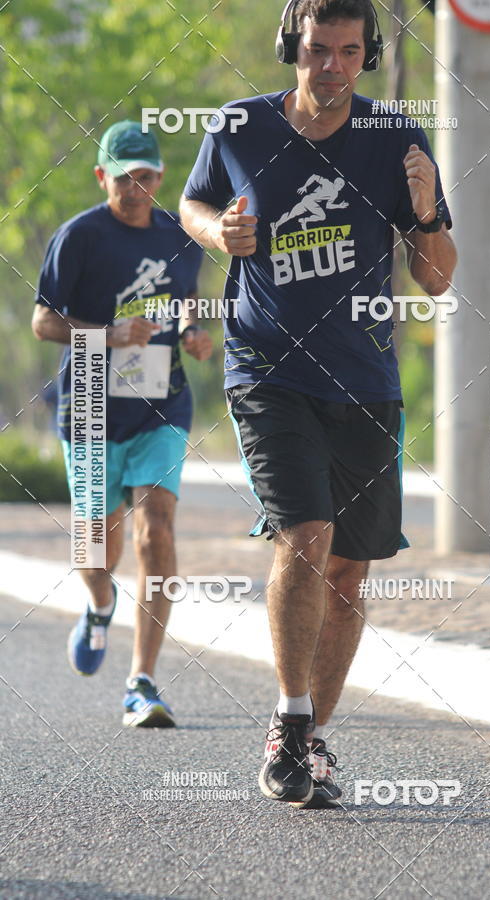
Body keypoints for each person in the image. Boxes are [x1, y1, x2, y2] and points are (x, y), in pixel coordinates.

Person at [180, 0, 456, 806]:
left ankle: (311, 741)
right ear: (289, 49)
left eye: (345, 51)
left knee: (348, 571)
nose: (328, 65)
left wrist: (431, 208)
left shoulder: (395, 138)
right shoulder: (238, 127)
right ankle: (290, 725)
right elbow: (194, 206)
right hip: (266, 369)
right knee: (305, 533)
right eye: (314, 50)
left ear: (365, 56)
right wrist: (214, 233)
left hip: (366, 380)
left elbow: (437, 278)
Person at [32, 120, 212, 728]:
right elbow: (43, 322)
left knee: (156, 530)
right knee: (95, 547)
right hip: (88, 402)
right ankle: (101, 603)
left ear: (161, 177)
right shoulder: (78, 236)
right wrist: (106, 336)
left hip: (162, 400)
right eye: (123, 178)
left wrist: (191, 332)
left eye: (147, 177)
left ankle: (142, 681)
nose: (136, 189)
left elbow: (185, 298)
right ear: (101, 176)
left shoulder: (180, 235)